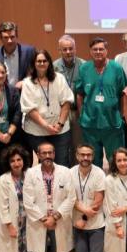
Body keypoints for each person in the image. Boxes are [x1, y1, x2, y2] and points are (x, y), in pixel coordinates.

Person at [23, 142, 76, 252]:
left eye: (50, 153)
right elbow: (28, 201)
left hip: (58, 220)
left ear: (54, 154)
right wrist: (44, 219)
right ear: (38, 155)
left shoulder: (65, 172)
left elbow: (71, 197)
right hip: (39, 222)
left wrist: (56, 216)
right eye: (43, 153)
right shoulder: (31, 173)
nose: (47, 156)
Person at [75, 37, 127, 168]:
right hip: (90, 123)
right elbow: (79, 94)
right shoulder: (84, 69)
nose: (98, 52)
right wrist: (81, 114)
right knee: (93, 160)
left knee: (116, 159)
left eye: (101, 49)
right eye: (95, 49)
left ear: (106, 51)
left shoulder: (116, 68)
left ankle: (115, 186)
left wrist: (121, 115)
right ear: (90, 51)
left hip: (112, 123)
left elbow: (123, 94)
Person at [21, 49, 74, 166]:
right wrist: (46, 126)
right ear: (34, 63)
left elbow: (66, 102)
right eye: (38, 61)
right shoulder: (28, 83)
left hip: (60, 130)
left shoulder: (59, 78)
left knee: (62, 163)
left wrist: (60, 124)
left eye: (44, 61)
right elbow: (30, 109)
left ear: (49, 62)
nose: (41, 63)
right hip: (37, 131)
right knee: (45, 163)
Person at [69, 143, 107, 252]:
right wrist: (83, 211)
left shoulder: (99, 173)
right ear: (77, 156)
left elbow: (98, 200)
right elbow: (70, 198)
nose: (85, 158)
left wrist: (84, 217)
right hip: (77, 224)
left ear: (93, 156)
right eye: (82, 155)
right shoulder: (70, 173)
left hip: (96, 224)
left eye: (89, 155)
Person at [53, 34, 86, 164]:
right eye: (64, 49)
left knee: (77, 144)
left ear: (75, 49)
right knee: (61, 144)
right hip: (60, 111)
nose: (68, 52)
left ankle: (76, 172)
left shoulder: (83, 65)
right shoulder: (53, 66)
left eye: (71, 48)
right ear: (59, 50)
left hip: (77, 110)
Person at [0, 21, 35, 87]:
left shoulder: (29, 52)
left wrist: (25, 82)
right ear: (1, 38)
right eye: (6, 38)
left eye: (12, 37)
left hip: (23, 94)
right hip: (1, 95)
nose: (9, 41)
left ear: (17, 36)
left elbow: (37, 73)